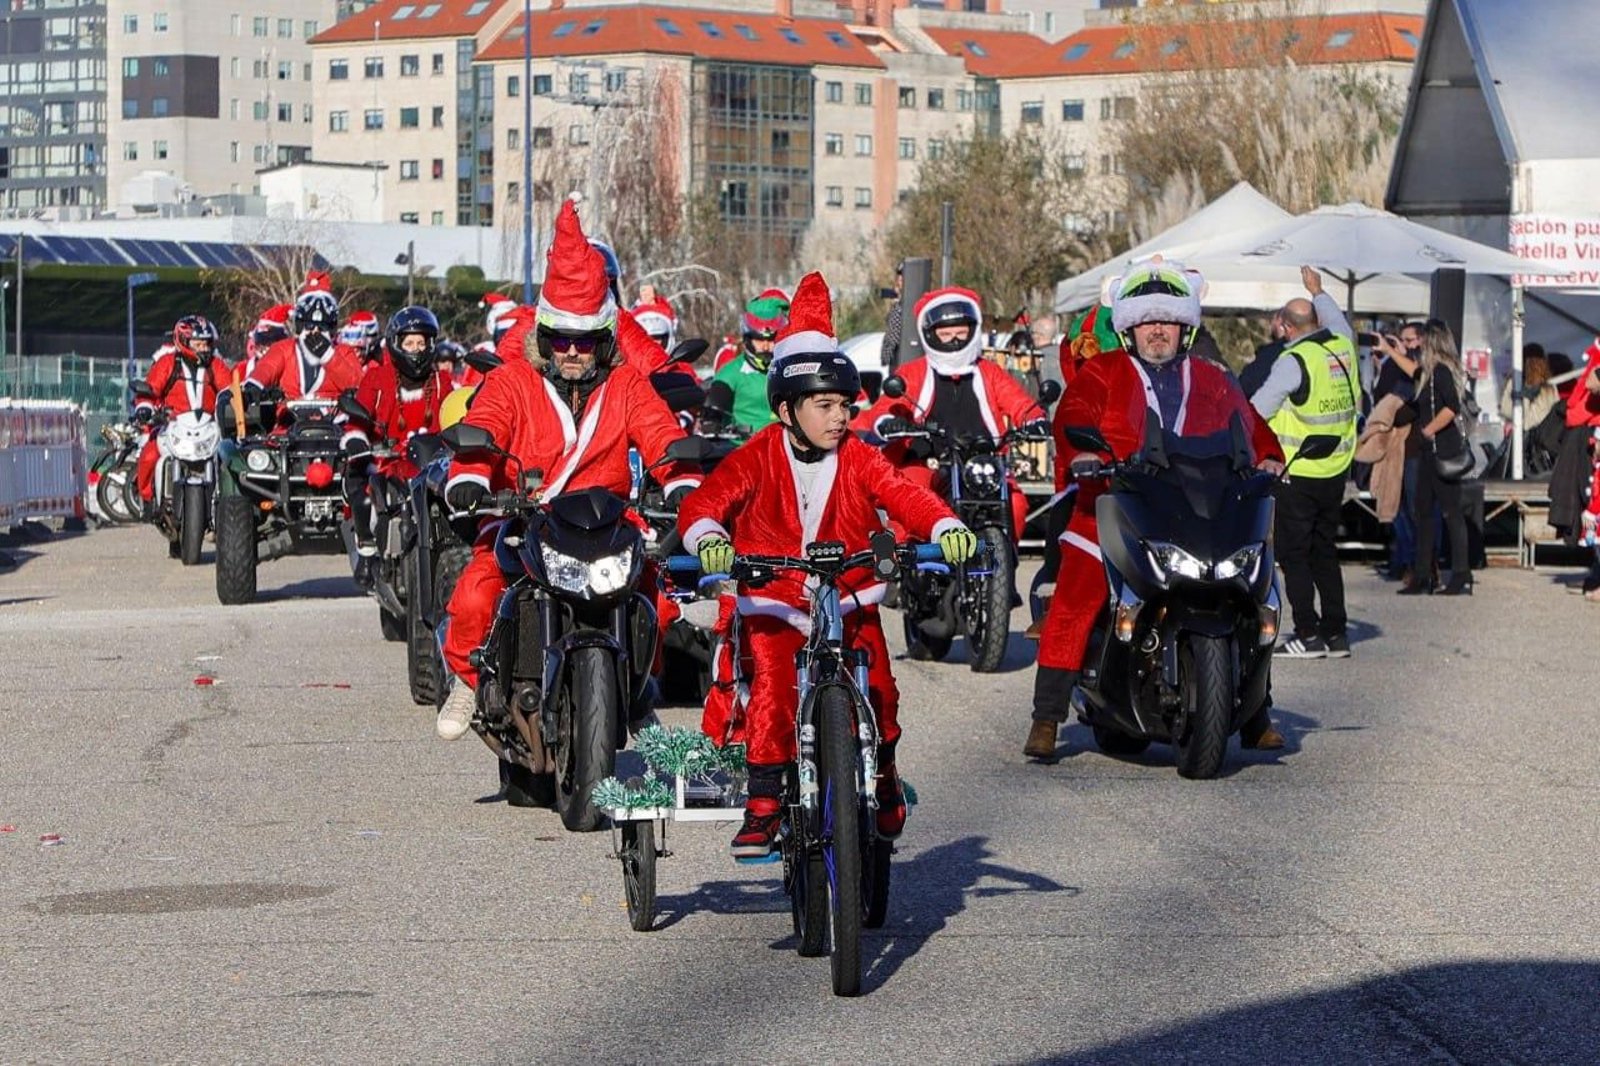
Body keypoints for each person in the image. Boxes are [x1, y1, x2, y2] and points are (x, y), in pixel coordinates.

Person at [677, 271, 977, 858]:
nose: (840, 417)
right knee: (771, 690)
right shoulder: (754, 456)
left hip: (847, 595)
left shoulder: (860, 456)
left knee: (884, 690)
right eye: (825, 405)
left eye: (844, 404)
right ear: (786, 409)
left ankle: (884, 775)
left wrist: (944, 525)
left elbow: (903, 493)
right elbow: (703, 504)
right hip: (777, 599)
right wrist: (710, 537)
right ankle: (764, 804)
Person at [435, 199, 701, 741]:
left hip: (609, 525)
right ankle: (467, 678)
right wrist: (469, 476)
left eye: (584, 341)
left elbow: (662, 437)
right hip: (530, 518)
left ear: (605, 339)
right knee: (474, 596)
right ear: (544, 337)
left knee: (659, 599)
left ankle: (636, 686)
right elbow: (484, 425)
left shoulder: (626, 385)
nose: (573, 352)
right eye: (561, 339)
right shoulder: (512, 381)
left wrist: (681, 482)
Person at [1027, 261, 1286, 759]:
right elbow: (1074, 417)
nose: (1158, 330)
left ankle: (1255, 712)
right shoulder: (1103, 370)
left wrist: (1269, 456)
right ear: (1129, 328)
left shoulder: (1210, 376)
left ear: (1185, 328)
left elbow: (1247, 420)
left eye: (1167, 321)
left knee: (1257, 590)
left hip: (1194, 504)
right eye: (1148, 321)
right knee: (1078, 591)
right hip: (1112, 501)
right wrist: (1085, 455)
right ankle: (1047, 715)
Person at [852, 287, 1049, 542]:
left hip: (980, 460)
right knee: (909, 497)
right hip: (927, 461)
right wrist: (888, 422)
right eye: (945, 333)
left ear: (973, 328)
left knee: (1015, 503)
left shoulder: (989, 371)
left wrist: (1036, 420)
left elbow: (1020, 403)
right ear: (930, 334)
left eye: (960, 331)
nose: (954, 339)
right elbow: (885, 407)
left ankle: (1003, 567)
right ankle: (904, 570)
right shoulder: (912, 372)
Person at [1251, 267, 1358, 659]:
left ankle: (1308, 634)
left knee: (1294, 556)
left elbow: (1257, 411)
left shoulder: (1293, 361)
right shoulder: (1343, 346)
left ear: (1285, 326)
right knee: (1325, 551)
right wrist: (1318, 290)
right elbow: (1336, 319)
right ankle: (1337, 634)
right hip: (1335, 467)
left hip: (1298, 471)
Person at [341, 307, 456, 576]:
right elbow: (358, 419)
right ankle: (368, 550)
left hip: (433, 466)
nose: (415, 350)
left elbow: (457, 414)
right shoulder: (377, 379)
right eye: (409, 343)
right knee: (365, 496)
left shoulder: (442, 382)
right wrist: (357, 440)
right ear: (396, 344)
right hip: (388, 463)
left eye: (421, 343)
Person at [1398, 322, 1475, 596]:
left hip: (1442, 448)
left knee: (1450, 512)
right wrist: (1389, 349)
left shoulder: (1441, 371)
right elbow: (1412, 370)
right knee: (1423, 511)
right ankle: (1423, 574)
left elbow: (1451, 406)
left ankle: (1461, 573)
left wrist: (1427, 430)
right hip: (1430, 452)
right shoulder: (1429, 372)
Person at [134, 315, 228, 511]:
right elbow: (150, 389)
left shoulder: (216, 365)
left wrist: (236, 406)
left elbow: (229, 390)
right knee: (149, 455)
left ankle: (226, 506)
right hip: (172, 426)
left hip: (209, 427)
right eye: (198, 343)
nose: (203, 348)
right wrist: (144, 407)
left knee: (229, 460)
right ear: (184, 341)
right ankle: (148, 500)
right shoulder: (167, 363)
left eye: (206, 343)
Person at [237, 289, 363, 409]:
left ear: (332, 330)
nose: (315, 332)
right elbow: (266, 368)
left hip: (335, 423)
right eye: (309, 326)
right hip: (289, 422)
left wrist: (328, 356)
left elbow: (359, 385)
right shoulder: (284, 349)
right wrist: (253, 386)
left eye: (322, 327)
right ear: (299, 327)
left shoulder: (343, 352)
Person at [703, 289, 789, 432]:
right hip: (746, 447)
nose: (766, 346)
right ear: (748, 339)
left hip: (787, 446)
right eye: (759, 339)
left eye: (771, 339)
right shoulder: (732, 372)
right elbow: (716, 403)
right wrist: (712, 419)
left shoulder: (788, 369)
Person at [1239, 311, 1288, 401]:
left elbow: (1245, 386)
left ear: (1280, 322)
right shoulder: (1310, 349)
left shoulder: (1270, 355)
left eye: (1272, 320)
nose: (1270, 324)